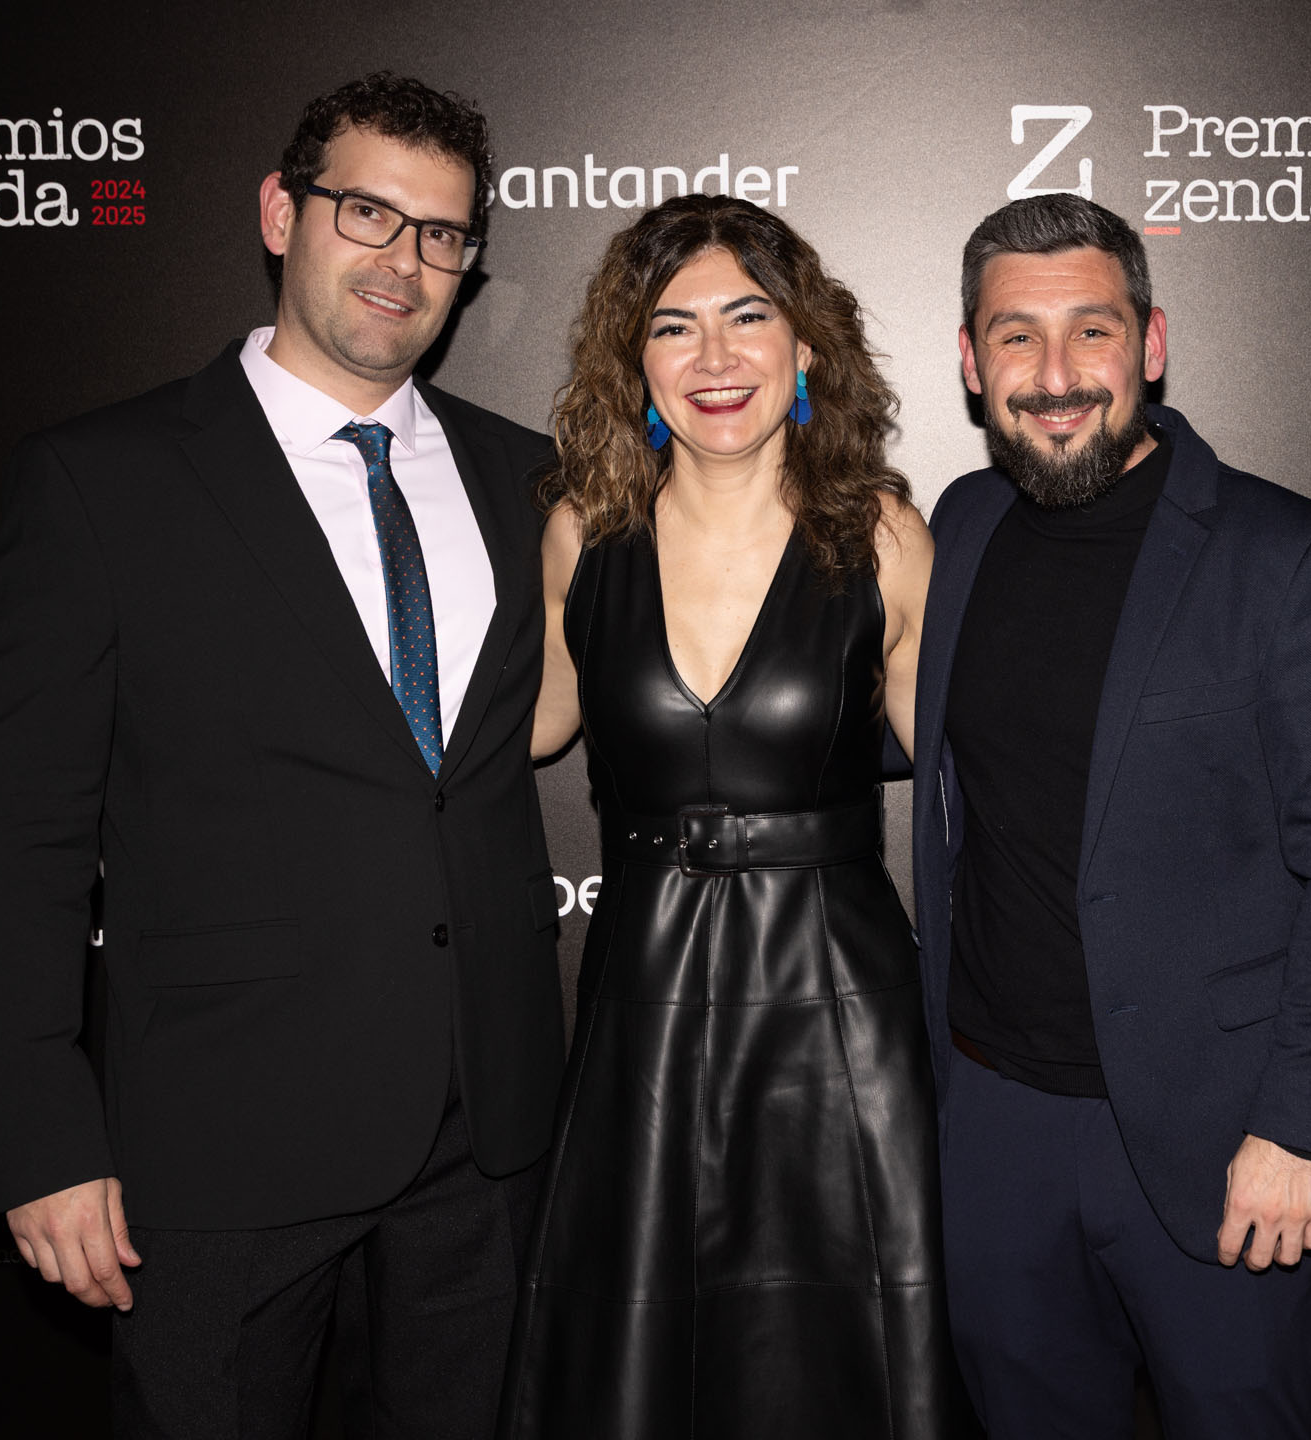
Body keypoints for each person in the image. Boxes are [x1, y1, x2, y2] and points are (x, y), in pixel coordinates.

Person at [0, 73, 565, 1439]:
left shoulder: (531, 482)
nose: (402, 261)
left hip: (488, 1133)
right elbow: (11, 842)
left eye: (441, 234)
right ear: (282, 213)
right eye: (366, 213)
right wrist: (41, 1138)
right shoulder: (103, 481)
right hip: (224, 1138)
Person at [908, 194, 1311, 1437]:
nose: (1056, 375)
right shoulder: (959, 527)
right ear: (970, 360)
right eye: (1016, 337)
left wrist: (1301, 1128)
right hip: (994, 1129)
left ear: (1153, 342)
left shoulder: (1290, 556)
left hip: (1221, 1139)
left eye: (1092, 330)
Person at [499, 194, 966, 1438]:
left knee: (845, 1356)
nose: (714, 358)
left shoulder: (881, 536)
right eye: (674, 327)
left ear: (804, 346)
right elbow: (519, 731)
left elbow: (972, 776)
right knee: (640, 1356)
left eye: (747, 318)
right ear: (636, 362)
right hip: (643, 995)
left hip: (839, 1005)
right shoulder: (580, 535)